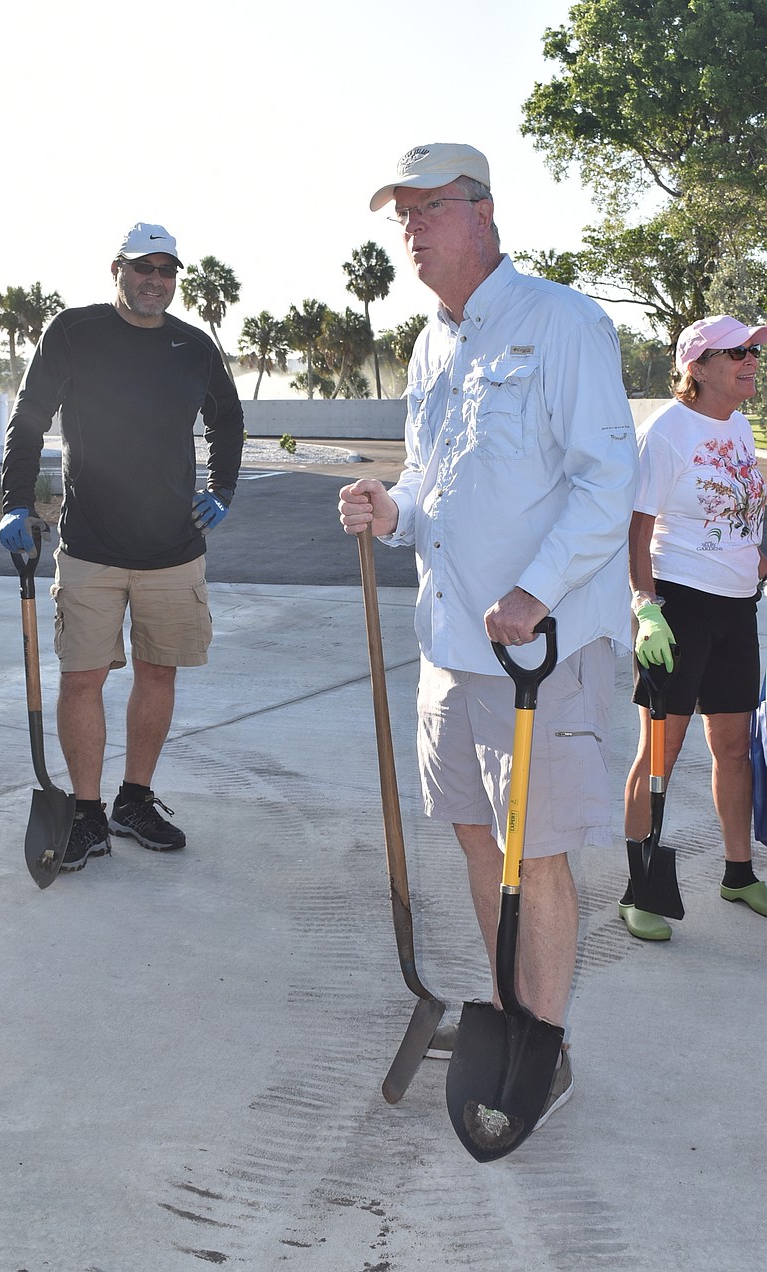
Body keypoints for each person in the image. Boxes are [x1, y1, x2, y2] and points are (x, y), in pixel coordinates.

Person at [339, 143, 637, 1124]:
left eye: (428, 211)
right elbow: (433, 488)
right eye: (403, 216)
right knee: (478, 841)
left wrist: (537, 592)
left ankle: (538, 1047)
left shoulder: (561, 322)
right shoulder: (433, 344)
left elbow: (607, 484)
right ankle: (510, 1014)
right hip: (451, 656)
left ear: (483, 214)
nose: (412, 232)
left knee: (536, 853)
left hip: (537, 656)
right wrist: (393, 511)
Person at [0, 223, 244, 872]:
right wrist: (13, 503)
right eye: (144, 268)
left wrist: (223, 487)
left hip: (174, 551)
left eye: (167, 270)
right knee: (82, 680)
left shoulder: (191, 346)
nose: (156, 280)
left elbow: (228, 417)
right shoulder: (74, 332)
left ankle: (135, 799)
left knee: (158, 672)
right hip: (91, 549)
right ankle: (87, 815)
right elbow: (28, 417)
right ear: (118, 269)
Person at [619, 315, 767, 940]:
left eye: (754, 352)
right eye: (737, 352)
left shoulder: (737, 424)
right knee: (660, 750)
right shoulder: (668, 432)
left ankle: (739, 871)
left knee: (733, 747)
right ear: (697, 367)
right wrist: (643, 604)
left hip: (737, 605)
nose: (751, 361)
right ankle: (640, 885)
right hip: (678, 606)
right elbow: (638, 524)